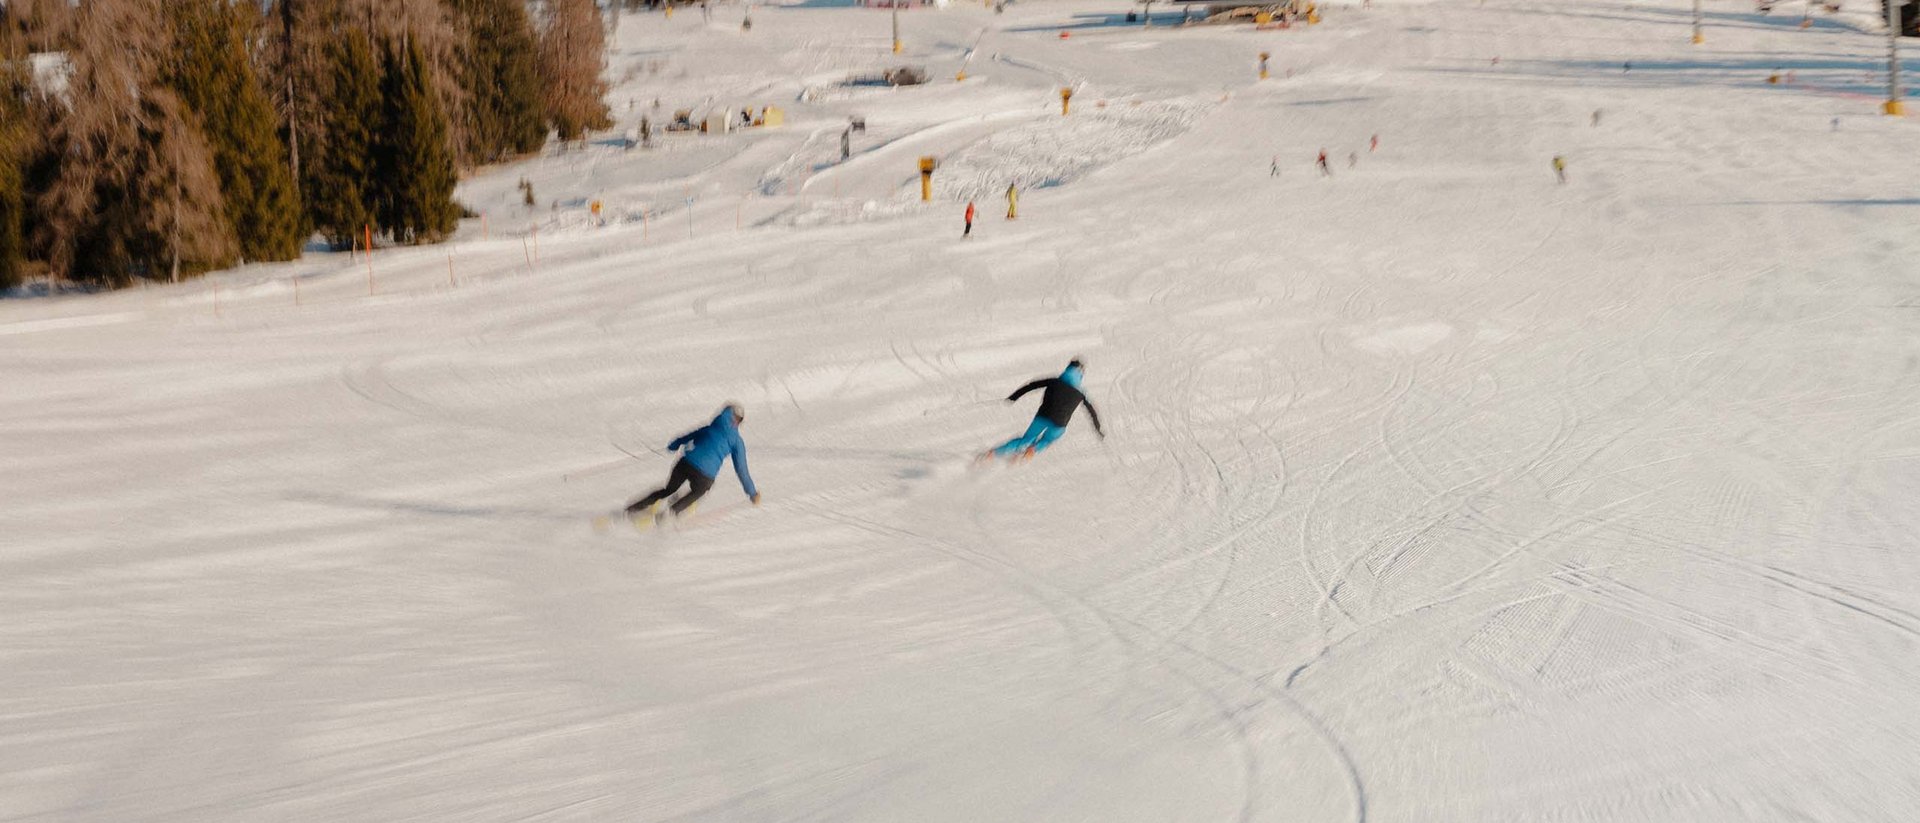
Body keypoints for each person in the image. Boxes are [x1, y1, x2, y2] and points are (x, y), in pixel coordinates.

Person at [625, 404, 760, 522]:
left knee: (669, 489)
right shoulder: (736, 441)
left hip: (685, 464)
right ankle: (670, 513)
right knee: (699, 491)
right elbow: (742, 470)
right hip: (705, 475)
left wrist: (673, 446)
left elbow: (687, 436)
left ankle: (634, 508)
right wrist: (752, 493)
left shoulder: (709, 428)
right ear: (738, 422)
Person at [982, 361, 1105, 462]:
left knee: (1027, 438)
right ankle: (1032, 450)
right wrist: (1098, 430)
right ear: (1081, 374)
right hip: (1059, 424)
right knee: (1047, 440)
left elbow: (1031, 385)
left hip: (1042, 417)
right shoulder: (1082, 393)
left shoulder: (1054, 381)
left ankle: (993, 453)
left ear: (1067, 369)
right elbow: (1092, 412)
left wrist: (1013, 397)